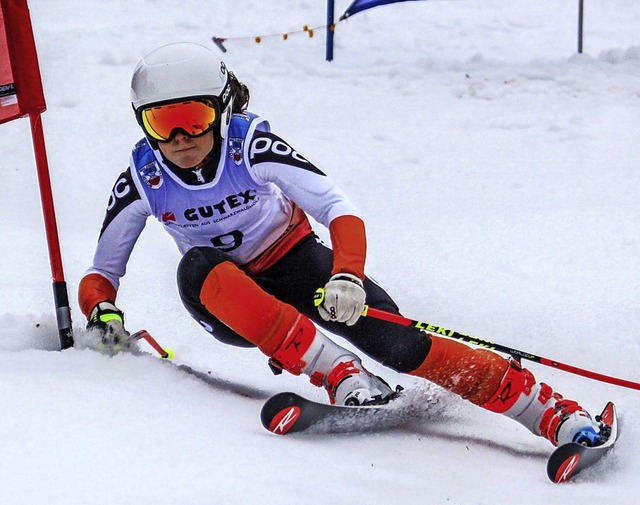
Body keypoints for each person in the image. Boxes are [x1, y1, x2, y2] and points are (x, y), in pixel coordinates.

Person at [79, 41, 606, 447]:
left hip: (297, 266)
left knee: (400, 343)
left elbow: (339, 209)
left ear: (220, 109)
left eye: (193, 118)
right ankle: (339, 373)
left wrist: (347, 274)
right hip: (224, 301)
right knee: (197, 262)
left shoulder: (249, 144)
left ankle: (547, 411)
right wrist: (102, 311)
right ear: (142, 124)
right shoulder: (143, 177)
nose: (180, 139)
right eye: (162, 123)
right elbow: (103, 271)